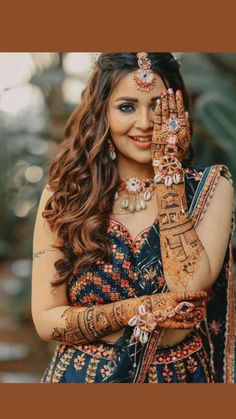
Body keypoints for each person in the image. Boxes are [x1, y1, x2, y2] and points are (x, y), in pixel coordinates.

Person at [32, 52, 235, 383]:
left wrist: (168, 170)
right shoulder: (67, 194)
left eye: (158, 106)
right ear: (102, 113)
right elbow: (45, 320)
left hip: (178, 379)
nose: (144, 122)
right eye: (127, 106)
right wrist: (139, 309)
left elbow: (188, 285)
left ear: (178, 113)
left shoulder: (211, 188)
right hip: (84, 379)